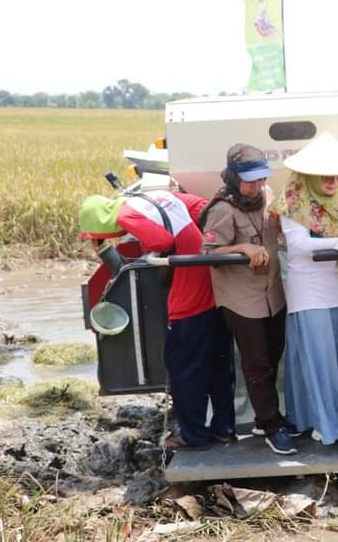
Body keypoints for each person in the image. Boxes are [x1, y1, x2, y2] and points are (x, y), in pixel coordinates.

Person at [79, 190, 234, 450]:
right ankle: (224, 429)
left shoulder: (127, 213)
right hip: (210, 274)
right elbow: (202, 207)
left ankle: (194, 436)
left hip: (188, 288)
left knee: (181, 366)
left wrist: (151, 250)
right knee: (219, 361)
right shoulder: (155, 196)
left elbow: (161, 240)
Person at [271, 132, 338, 447]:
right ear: (311, 173)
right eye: (326, 173)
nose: (333, 179)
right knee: (321, 362)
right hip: (310, 293)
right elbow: (299, 245)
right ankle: (327, 423)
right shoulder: (292, 199)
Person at [199, 143, 295, 455]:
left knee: (274, 353)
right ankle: (271, 426)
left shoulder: (266, 196)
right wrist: (243, 248)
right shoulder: (222, 210)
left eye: (261, 179)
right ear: (233, 178)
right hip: (242, 299)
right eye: (251, 181)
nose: (257, 187)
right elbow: (208, 254)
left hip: (272, 294)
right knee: (257, 365)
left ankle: (263, 417)